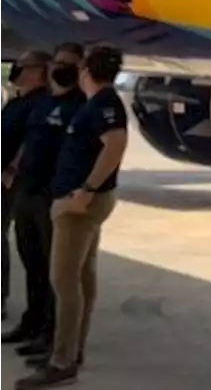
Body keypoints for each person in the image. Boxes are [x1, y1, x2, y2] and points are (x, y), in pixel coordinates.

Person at [18, 44, 129, 388]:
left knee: (64, 283)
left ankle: (62, 361)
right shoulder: (98, 103)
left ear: (85, 71)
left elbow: (116, 144)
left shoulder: (103, 103)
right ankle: (72, 350)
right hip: (77, 200)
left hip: (78, 205)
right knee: (82, 279)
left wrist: (88, 190)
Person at [3, 43, 85, 355]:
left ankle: (52, 333)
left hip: (52, 195)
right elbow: (27, 139)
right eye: (58, 62)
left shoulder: (78, 104)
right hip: (27, 190)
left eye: (67, 63)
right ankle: (32, 321)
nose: (59, 68)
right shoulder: (43, 101)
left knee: (55, 270)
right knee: (32, 261)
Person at [0, 51, 54, 323]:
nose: (16, 70)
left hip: (14, 181)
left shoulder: (41, 103)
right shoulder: (18, 99)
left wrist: (10, 170)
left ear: (37, 70)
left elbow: (29, 142)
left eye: (21, 66)